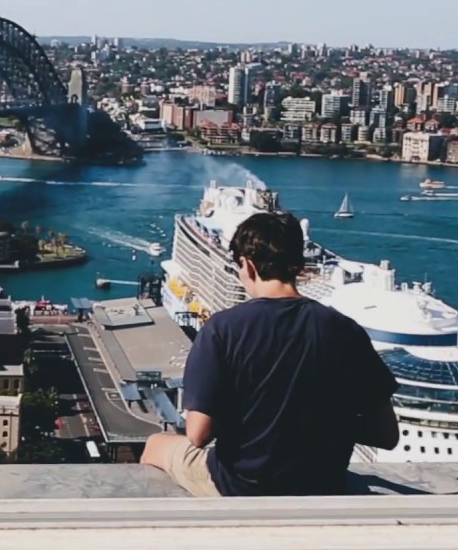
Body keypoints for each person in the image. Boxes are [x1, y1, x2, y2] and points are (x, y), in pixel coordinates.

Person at [141, 211, 399, 496]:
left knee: (156, 445)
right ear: (298, 265)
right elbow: (386, 435)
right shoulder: (345, 329)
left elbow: (198, 434)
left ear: (248, 266)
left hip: (239, 485)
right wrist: (320, 422)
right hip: (323, 483)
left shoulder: (223, 329)